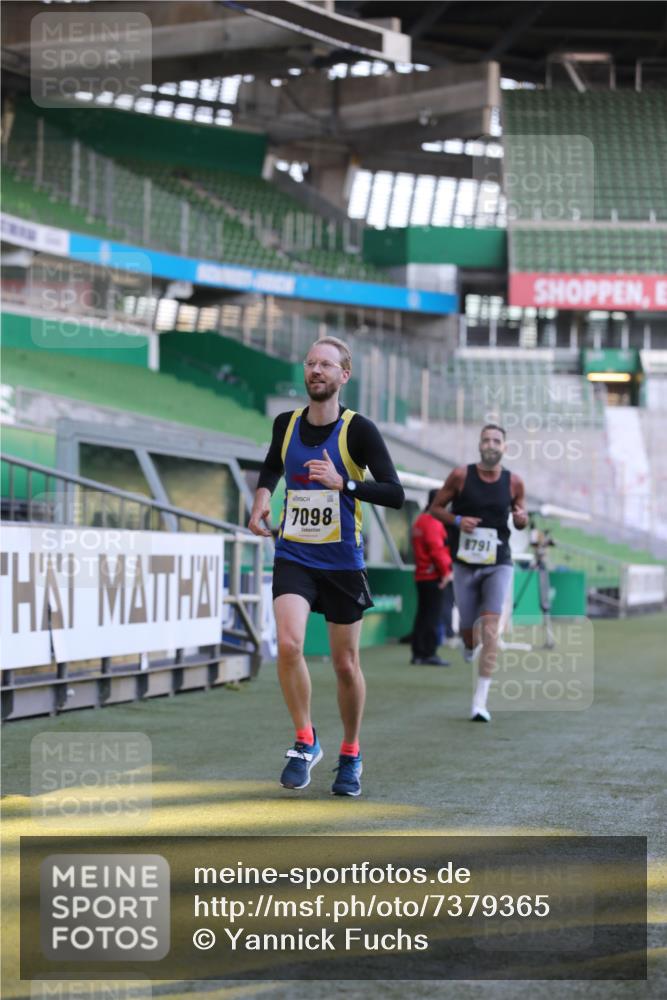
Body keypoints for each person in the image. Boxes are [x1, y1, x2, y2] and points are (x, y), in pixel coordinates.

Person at [249, 336, 404, 796]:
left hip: (341, 561)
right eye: (310, 363)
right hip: (294, 552)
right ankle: (305, 739)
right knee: (290, 645)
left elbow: (393, 492)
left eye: (326, 365)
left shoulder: (359, 431)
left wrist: (346, 484)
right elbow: (271, 468)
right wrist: (261, 500)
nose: (316, 370)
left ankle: (351, 752)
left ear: (344, 375)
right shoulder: (286, 423)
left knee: (344, 663)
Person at [429, 424, 528, 722]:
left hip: (499, 562)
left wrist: (522, 518)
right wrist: (457, 519)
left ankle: (480, 701)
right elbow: (435, 508)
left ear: (504, 448)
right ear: (479, 445)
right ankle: (468, 645)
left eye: (496, 440)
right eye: (486, 439)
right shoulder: (461, 475)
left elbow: (521, 520)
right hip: (465, 563)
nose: (491, 444)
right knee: (469, 632)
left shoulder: (514, 483)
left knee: (490, 627)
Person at [410, 488, 453, 666]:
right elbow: (437, 550)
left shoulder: (420, 521)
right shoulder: (433, 523)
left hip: (422, 574)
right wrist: (446, 573)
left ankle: (419, 653)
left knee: (423, 615)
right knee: (432, 616)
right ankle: (428, 653)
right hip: (433, 575)